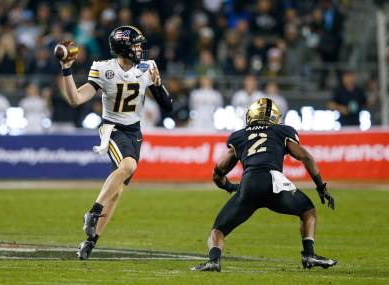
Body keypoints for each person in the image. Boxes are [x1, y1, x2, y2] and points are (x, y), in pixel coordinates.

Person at [55, 25, 172, 260]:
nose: (140, 49)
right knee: (128, 166)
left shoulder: (147, 68)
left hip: (134, 132)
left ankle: (90, 241)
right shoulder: (103, 68)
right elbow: (76, 98)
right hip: (112, 130)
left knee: (116, 192)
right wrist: (67, 71)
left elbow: (168, 107)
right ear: (123, 48)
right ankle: (93, 211)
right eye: (136, 45)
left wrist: (158, 86)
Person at [191, 98, 336, 272]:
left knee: (218, 229)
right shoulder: (283, 131)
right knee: (307, 210)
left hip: (250, 183)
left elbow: (219, 172)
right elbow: (306, 157)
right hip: (275, 183)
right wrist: (320, 186)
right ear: (275, 117)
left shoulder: (240, 136)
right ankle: (309, 255)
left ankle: (214, 261)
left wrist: (231, 188)